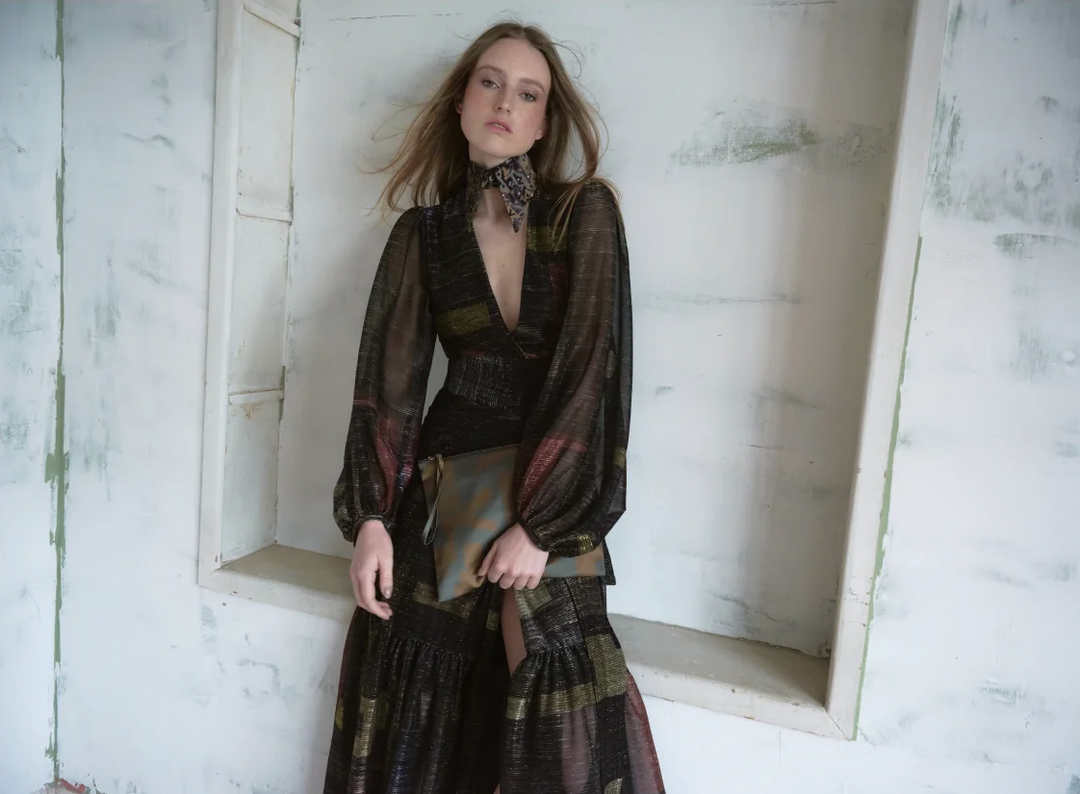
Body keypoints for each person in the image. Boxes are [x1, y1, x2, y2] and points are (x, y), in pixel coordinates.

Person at [324, 20, 665, 794]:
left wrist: (543, 528)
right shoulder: (423, 234)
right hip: (445, 485)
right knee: (413, 676)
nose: (505, 102)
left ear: (544, 124)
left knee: (554, 674)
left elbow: (591, 375)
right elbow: (387, 387)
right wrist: (370, 518)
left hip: (550, 485)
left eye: (528, 92)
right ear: (460, 102)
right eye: (489, 82)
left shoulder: (583, 213)